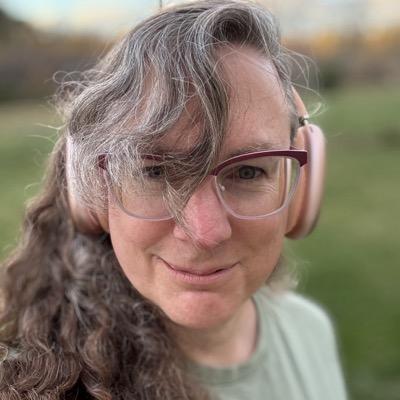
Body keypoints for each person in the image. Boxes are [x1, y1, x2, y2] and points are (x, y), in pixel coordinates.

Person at [0, 1, 347, 399]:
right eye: (155, 172)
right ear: (93, 192)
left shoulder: (310, 330)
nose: (205, 232)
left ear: (299, 189)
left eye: (247, 172)